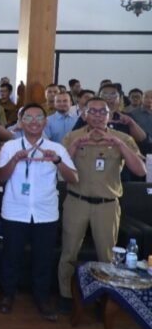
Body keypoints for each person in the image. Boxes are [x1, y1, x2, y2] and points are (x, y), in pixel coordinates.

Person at [57, 98, 146, 311]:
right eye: (93, 111)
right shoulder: (72, 136)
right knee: (69, 252)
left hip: (107, 205)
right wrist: (76, 146)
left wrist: (119, 145)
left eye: (102, 112)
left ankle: (104, 298)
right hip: (77, 201)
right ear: (84, 114)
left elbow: (140, 170)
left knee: (107, 256)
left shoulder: (122, 138)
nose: (97, 116)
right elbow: (60, 169)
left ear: (110, 115)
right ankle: (65, 295)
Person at [0, 103, 78, 322]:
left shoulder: (57, 148)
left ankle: (42, 298)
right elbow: (0, 177)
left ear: (45, 122)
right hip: (15, 210)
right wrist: (15, 160)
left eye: (38, 117)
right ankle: (8, 294)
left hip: (46, 213)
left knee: (43, 258)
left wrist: (57, 161)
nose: (33, 122)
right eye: (28, 118)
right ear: (21, 122)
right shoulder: (10, 147)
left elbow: (73, 178)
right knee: (11, 256)